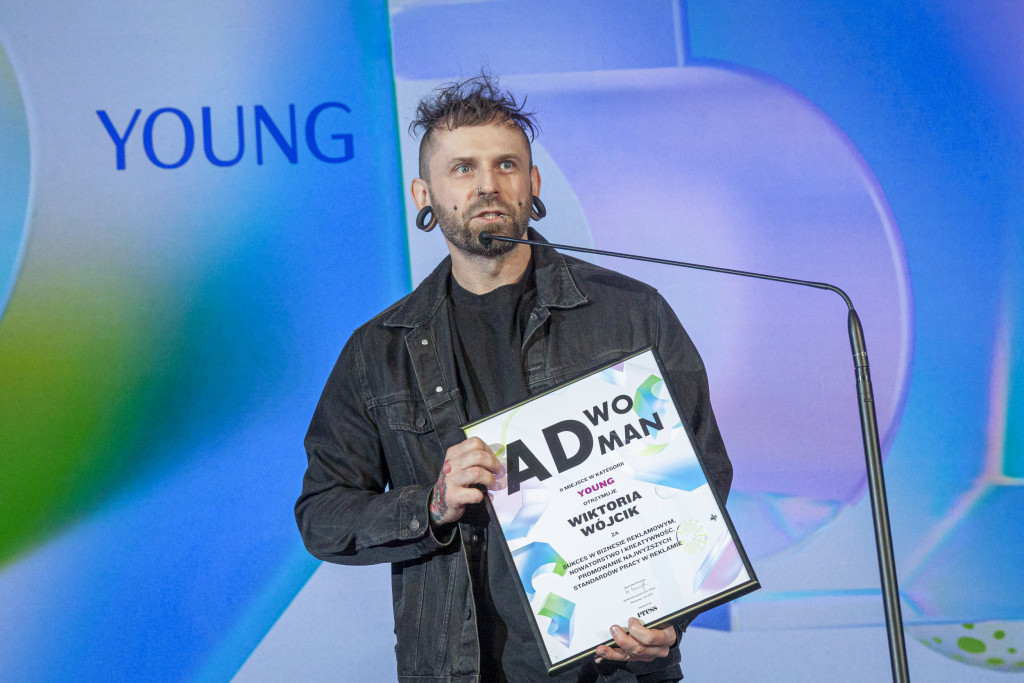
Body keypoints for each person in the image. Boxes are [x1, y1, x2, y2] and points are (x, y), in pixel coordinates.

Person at [296, 73, 732, 682]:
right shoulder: (379, 351)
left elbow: (704, 475)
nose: (487, 185)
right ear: (424, 194)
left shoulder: (632, 313)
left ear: (534, 183)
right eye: (463, 169)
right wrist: (431, 504)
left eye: (506, 164)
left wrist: (672, 619)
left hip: (614, 669)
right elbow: (323, 514)